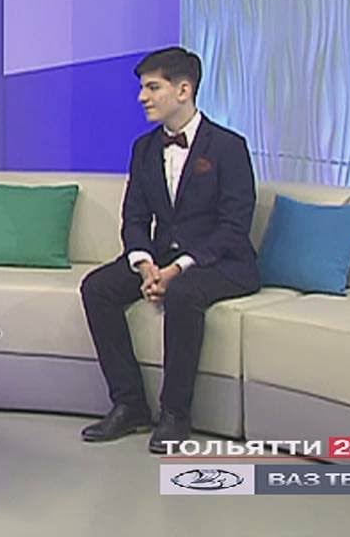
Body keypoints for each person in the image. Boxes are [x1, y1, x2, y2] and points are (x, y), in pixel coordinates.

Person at [79, 47, 260, 453]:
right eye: (142, 88)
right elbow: (134, 218)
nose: (142, 97)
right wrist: (145, 265)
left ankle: (175, 414)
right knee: (98, 287)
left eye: (152, 87)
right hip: (161, 258)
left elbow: (233, 228)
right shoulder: (144, 149)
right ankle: (129, 404)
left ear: (183, 90)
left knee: (182, 293)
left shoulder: (229, 147)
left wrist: (176, 269)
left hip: (223, 262)